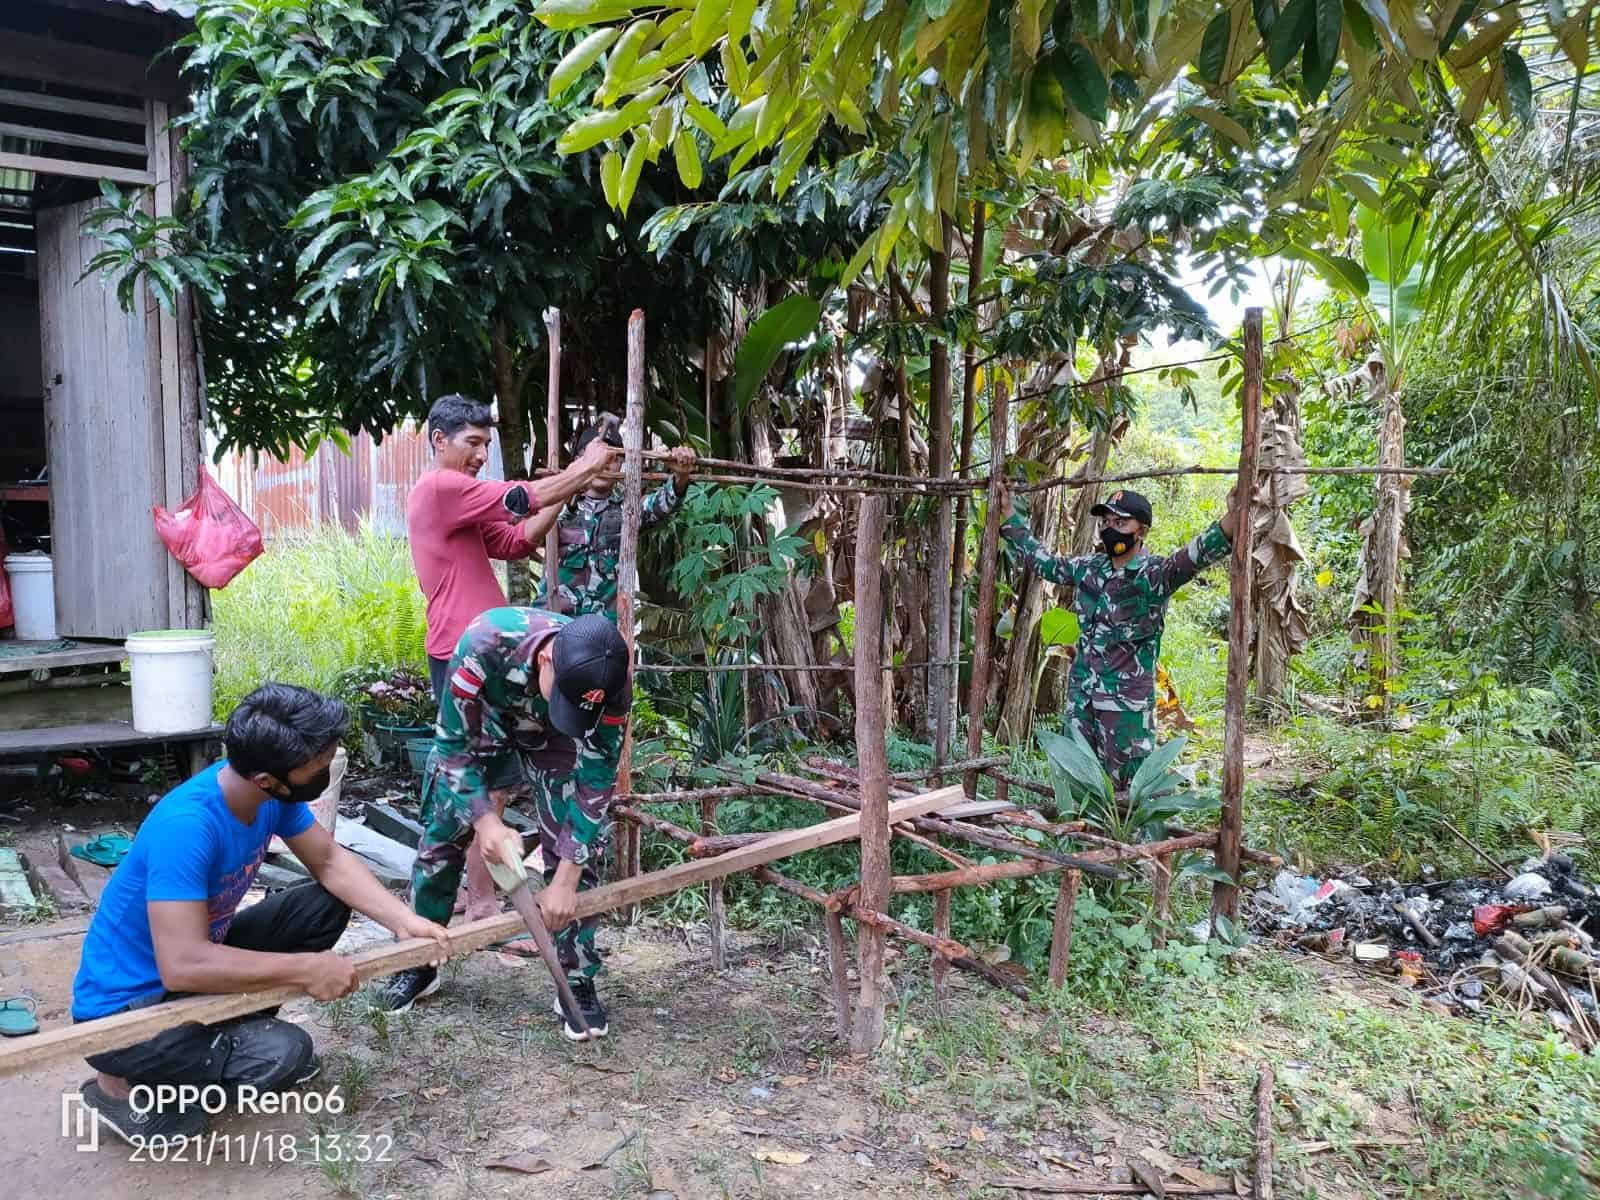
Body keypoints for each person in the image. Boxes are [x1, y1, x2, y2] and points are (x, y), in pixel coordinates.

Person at [71, 684, 451, 1147]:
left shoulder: (269, 796)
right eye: (319, 764)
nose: (327, 768)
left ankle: (225, 1031)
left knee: (321, 904)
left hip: (187, 976)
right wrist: (306, 969)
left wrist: (402, 921)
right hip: (125, 1015)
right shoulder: (188, 827)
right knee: (286, 1053)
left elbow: (328, 862)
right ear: (267, 778)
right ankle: (119, 1086)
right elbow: (183, 961)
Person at [374, 609, 630, 1042]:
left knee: (579, 851)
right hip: (485, 722)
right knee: (442, 834)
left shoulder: (612, 680)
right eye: (564, 696)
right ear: (548, 660)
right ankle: (418, 961)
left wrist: (566, 879)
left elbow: (598, 778)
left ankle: (576, 979)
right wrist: (486, 823)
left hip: (557, 741)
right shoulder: (485, 644)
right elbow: (452, 747)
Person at [997, 484, 1248, 787]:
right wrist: (1009, 515)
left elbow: (1198, 552)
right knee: (1078, 785)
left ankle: (1130, 836)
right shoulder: (1089, 568)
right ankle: (1079, 834)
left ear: (1141, 530)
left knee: (1129, 792)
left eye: (1120, 523)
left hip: (1126, 710)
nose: (1110, 529)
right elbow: (1045, 563)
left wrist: (1233, 516)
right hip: (1082, 701)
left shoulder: (1156, 575)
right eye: (1106, 522)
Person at [408, 393, 621, 703]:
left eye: (487, 445)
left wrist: (575, 478)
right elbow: (519, 499)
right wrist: (583, 469)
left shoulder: (456, 502)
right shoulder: (440, 487)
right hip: (461, 649)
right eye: (473, 442)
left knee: (493, 748)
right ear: (439, 440)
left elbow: (515, 542)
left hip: (482, 647)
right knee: (466, 750)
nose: (482, 455)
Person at [525, 416, 697, 619]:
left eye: (613, 458)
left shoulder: (628, 509)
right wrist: (566, 490)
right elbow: (527, 530)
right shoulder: (557, 502)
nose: (604, 465)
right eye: (596, 457)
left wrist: (681, 476)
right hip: (553, 619)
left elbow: (662, 503)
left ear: (622, 464)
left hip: (603, 627)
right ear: (579, 460)